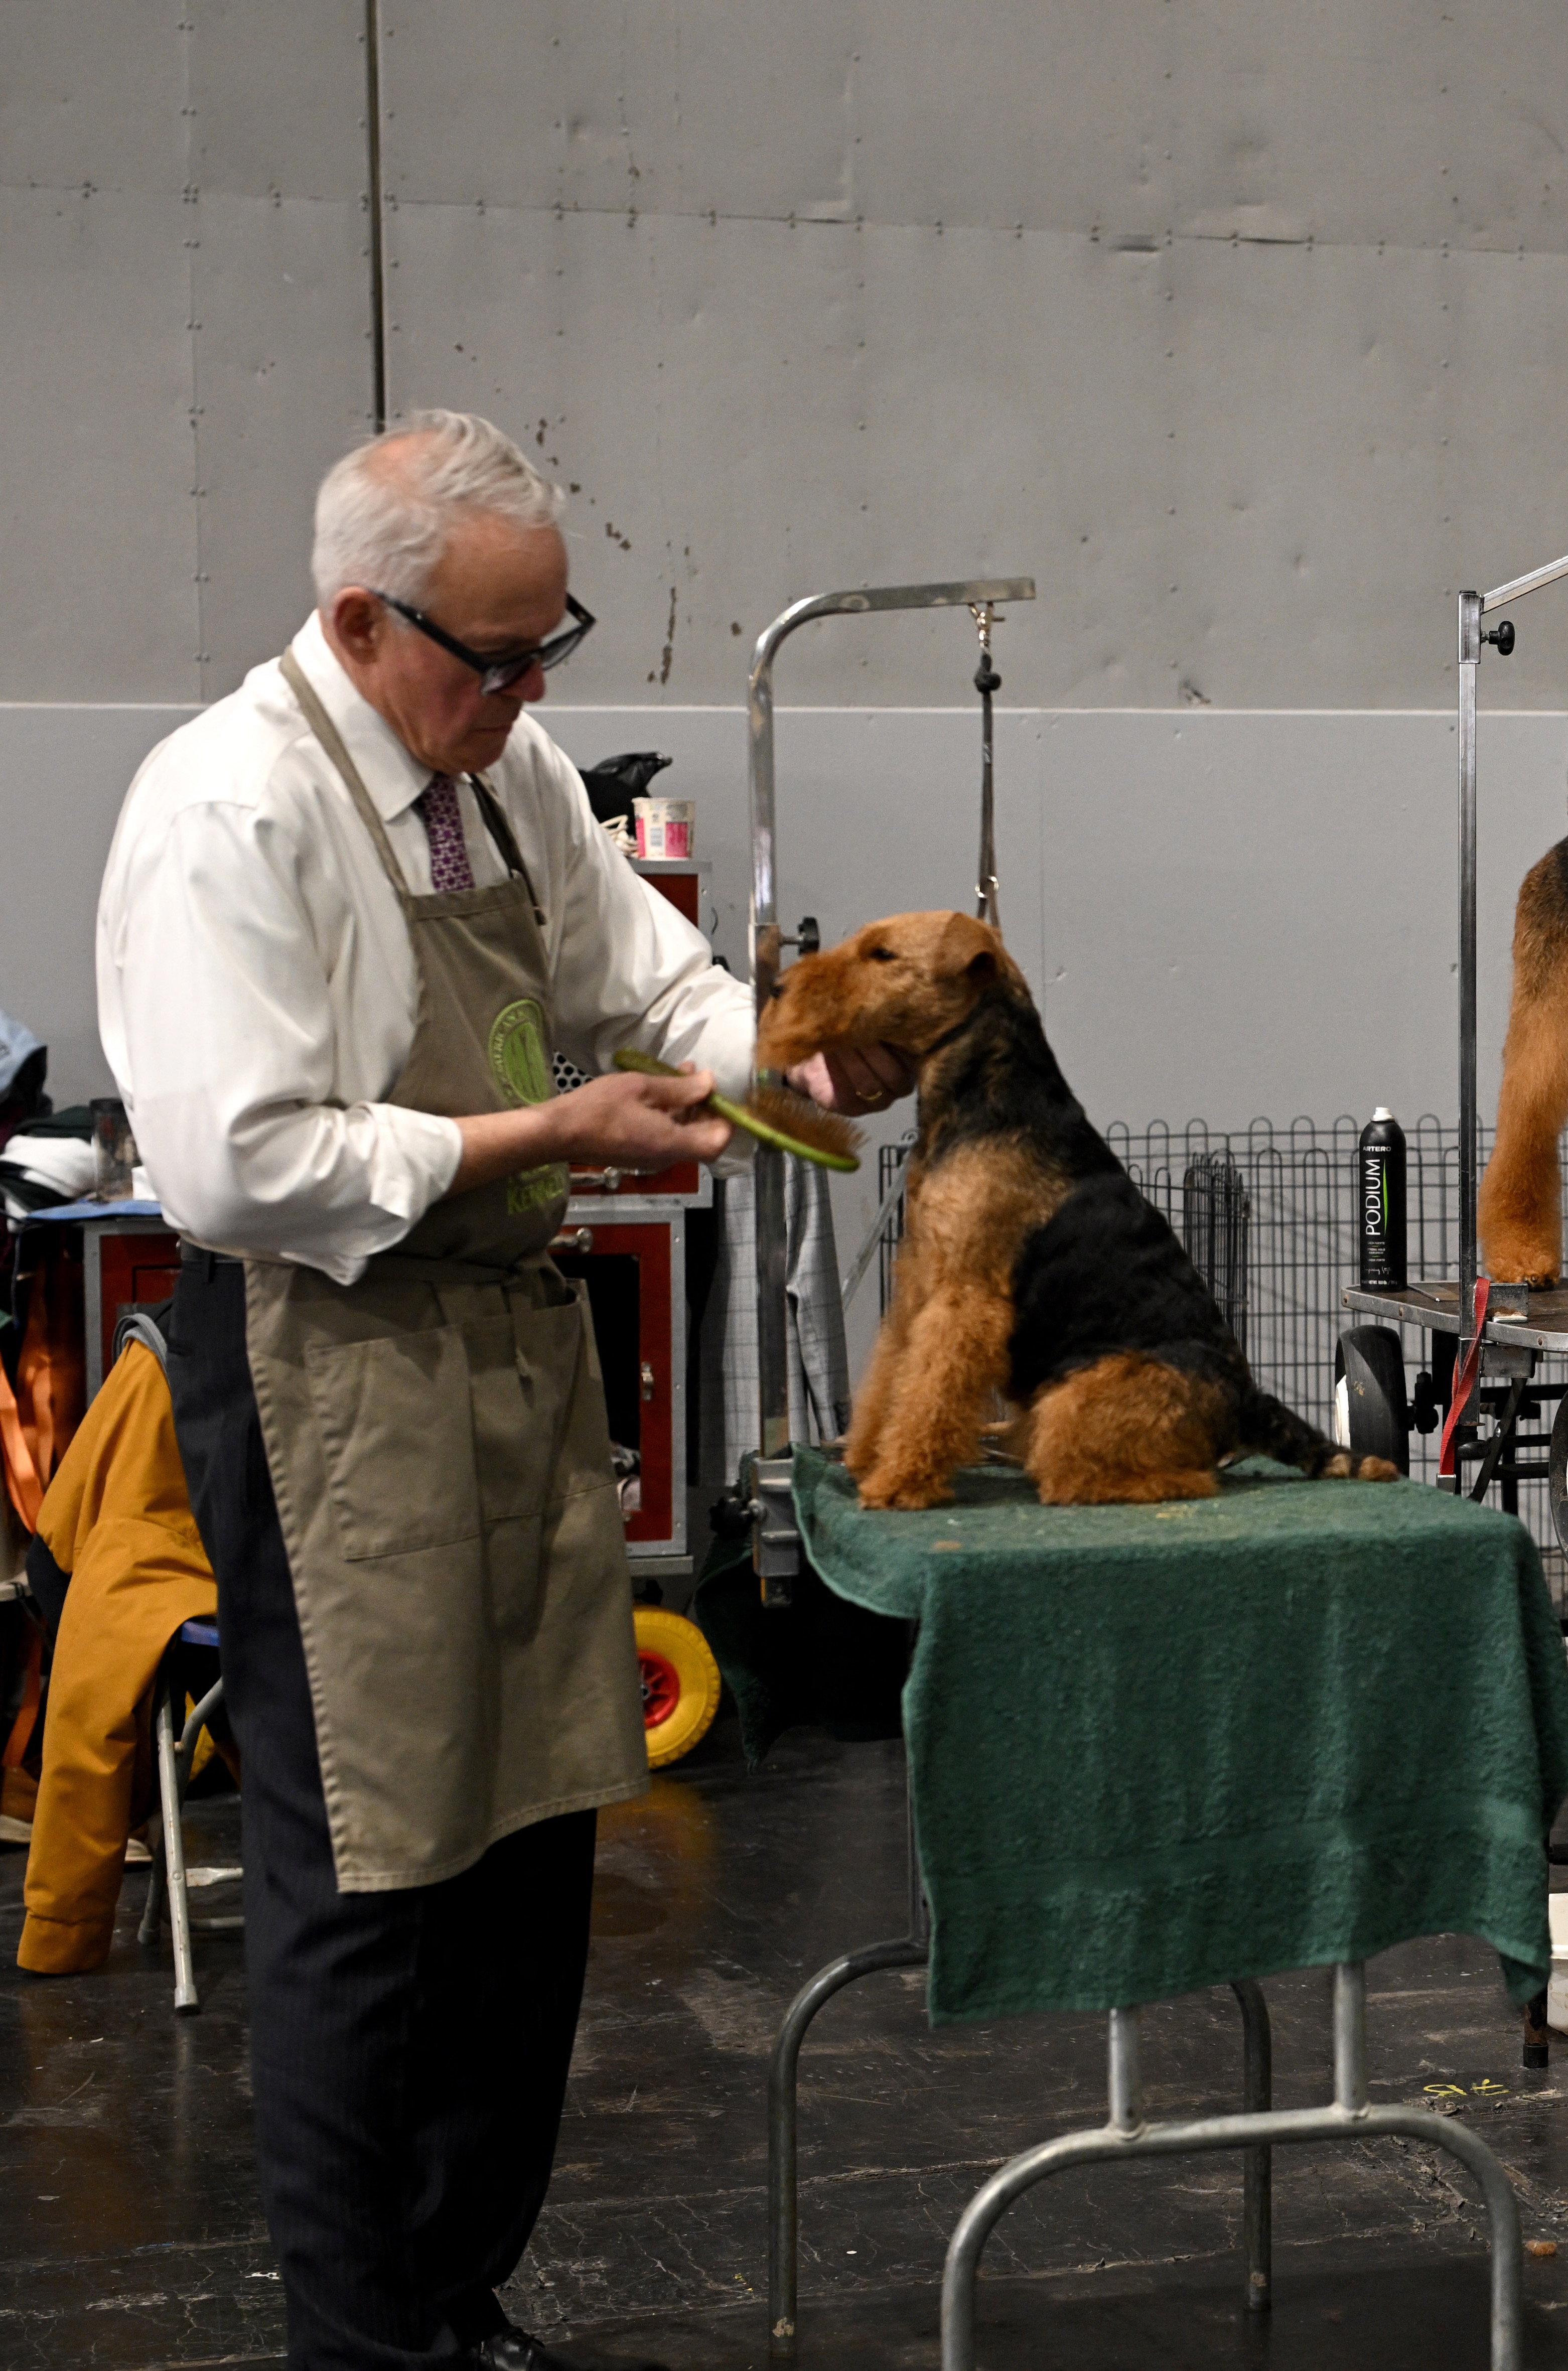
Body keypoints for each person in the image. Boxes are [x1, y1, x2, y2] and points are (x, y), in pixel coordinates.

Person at [92, 411, 907, 2371]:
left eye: (555, 645)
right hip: (327, 1363)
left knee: (531, 1855)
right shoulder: (230, 806)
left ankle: (460, 2298)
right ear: (362, 624)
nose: (535, 691)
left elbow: (651, 979)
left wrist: (782, 1067)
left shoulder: (508, 765)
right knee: (376, 1871)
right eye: (496, 654)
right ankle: (366, 2343)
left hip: (510, 1353)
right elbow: (233, 1165)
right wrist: (541, 1125)